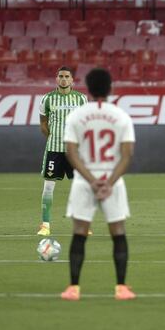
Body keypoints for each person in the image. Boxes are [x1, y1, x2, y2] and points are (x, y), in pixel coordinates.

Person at [60, 68, 136, 301]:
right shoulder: (121, 116)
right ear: (110, 87)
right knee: (118, 232)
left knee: (80, 232)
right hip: (112, 180)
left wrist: (92, 181)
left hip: (85, 180)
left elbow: (71, 153)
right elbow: (127, 154)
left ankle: (73, 288)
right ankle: (121, 288)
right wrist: (108, 182)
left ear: (88, 88)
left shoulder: (76, 115)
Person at [36, 66, 88, 236]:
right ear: (56, 79)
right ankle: (45, 225)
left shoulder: (81, 99)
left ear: (72, 80)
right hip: (54, 150)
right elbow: (43, 123)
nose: (64, 79)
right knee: (48, 187)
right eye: (61, 76)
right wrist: (52, 137)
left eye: (67, 76)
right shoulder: (47, 99)